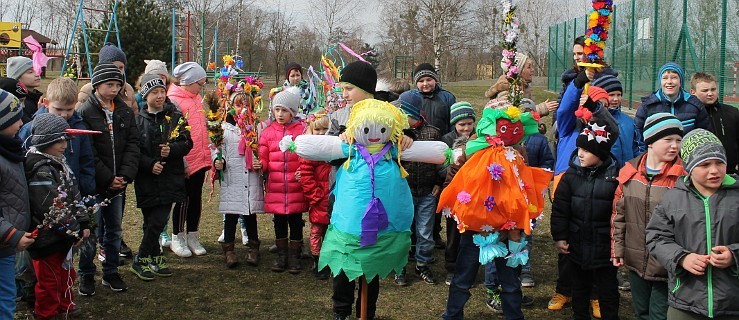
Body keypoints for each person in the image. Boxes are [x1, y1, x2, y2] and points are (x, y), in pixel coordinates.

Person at [647, 129, 739, 319]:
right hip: (685, 302)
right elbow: (656, 237)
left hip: (732, 301)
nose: (714, 170)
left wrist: (734, 255)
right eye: (704, 164)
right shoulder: (672, 199)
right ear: (688, 167)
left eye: (719, 162)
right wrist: (681, 258)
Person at [611, 113, 685, 320]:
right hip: (635, 260)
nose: (674, 146)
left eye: (678, 140)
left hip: (667, 264)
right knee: (641, 312)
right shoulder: (629, 173)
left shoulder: (684, 177)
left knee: (659, 314)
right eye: (668, 140)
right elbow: (618, 214)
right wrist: (618, 248)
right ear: (650, 141)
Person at [77, 63, 140, 293]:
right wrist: (106, 178)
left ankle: (111, 271)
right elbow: (88, 152)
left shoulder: (124, 110)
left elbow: (133, 144)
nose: (114, 89)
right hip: (94, 185)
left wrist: (124, 175)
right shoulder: (84, 113)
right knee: (90, 231)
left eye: (117, 85)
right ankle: (86, 274)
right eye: (109, 84)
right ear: (97, 85)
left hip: (118, 185)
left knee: (114, 229)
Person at [551, 118, 621, 320]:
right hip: (577, 245)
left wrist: (618, 244)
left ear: (600, 153)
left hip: (605, 248)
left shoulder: (615, 178)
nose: (580, 154)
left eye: (587, 150)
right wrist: (560, 236)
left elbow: (620, 213)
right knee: (579, 288)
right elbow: (560, 209)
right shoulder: (570, 176)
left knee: (607, 291)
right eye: (579, 148)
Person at [25, 113, 90, 319]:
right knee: (49, 278)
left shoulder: (59, 162)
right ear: (45, 140)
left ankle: (64, 305)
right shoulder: (40, 169)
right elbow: (50, 205)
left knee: (66, 272)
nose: (65, 144)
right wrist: (72, 228)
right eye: (59, 140)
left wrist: (82, 221)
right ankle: (46, 313)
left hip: (64, 233)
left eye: (65, 139)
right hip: (48, 236)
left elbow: (73, 192)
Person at [130, 74, 192, 281]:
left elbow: (187, 143)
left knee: (159, 220)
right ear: (145, 95)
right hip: (147, 180)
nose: (159, 96)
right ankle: (153, 257)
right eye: (154, 92)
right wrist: (149, 164)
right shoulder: (138, 121)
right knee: (150, 221)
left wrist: (172, 150)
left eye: (162, 91)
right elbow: (134, 150)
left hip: (169, 179)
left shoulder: (175, 117)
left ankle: (141, 258)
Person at [394, 91, 442, 286]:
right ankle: (400, 267)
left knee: (425, 231)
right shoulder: (395, 133)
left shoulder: (433, 132)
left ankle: (422, 264)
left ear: (411, 113)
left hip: (427, 191)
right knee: (402, 230)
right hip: (403, 192)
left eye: (401, 113)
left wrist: (439, 182)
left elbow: (441, 160)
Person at [258, 89, 308, 274]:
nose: (280, 114)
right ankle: (281, 256)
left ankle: (295, 257)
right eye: (277, 109)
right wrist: (260, 165)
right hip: (276, 185)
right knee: (278, 221)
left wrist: (303, 171)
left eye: (284, 110)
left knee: (295, 220)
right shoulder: (267, 133)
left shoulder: (302, 131)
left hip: (295, 186)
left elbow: (306, 156)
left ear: (293, 112)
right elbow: (264, 157)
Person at [213, 99, 264, 268]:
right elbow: (216, 149)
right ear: (231, 108)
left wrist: (261, 161)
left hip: (250, 177)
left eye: (245, 105)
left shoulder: (256, 128)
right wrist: (218, 161)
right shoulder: (224, 130)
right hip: (232, 177)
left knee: (250, 213)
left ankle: (253, 246)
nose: (241, 109)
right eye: (237, 105)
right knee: (231, 214)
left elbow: (263, 149)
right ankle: (229, 249)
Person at [167, 62, 210, 258]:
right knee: (182, 200)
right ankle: (177, 236)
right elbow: (174, 134)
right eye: (200, 83)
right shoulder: (173, 101)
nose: (202, 86)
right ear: (188, 82)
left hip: (200, 157)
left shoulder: (196, 98)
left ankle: (193, 235)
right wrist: (183, 160)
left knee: (196, 198)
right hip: (184, 160)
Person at [0, 89, 34, 319]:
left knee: (7, 296)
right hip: (5, 240)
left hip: (5, 247)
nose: (21, 122)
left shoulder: (12, 149)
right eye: (14, 119)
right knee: (4, 300)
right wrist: (11, 234)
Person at [440, 101, 476, 286]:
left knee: (470, 232)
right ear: (454, 124)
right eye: (462, 124)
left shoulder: (478, 139)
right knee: (453, 232)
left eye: (469, 123)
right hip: (453, 192)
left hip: (474, 194)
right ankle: (451, 266)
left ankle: (470, 267)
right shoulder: (446, 140)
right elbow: (440, 165)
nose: (466, 128)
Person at [634, 62, 712, 138]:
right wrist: (646, 151)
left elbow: (705, 135)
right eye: (665, 78)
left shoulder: (695, 105)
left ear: (680, 82)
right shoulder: (647, 106)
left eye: (674, 77)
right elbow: (637, 135)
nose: (669, 82)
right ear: (660, 82)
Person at [298, 113, 331, 279]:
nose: (321, 133)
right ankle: (318, 260)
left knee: (331, 232)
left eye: (325, 129)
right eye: (317, 129)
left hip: (333, 198)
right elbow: (306, 175)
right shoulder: (309, 151)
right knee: (317, 230)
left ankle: (330, 258)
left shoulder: (333, 148)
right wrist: (316, 196)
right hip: (319, 199)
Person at [690, 72, 739, 174]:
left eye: (713, 89)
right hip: (700, 175)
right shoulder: (688, 116)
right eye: (705, 90)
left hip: (730, 173)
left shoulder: (732, 113)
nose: (710, 93)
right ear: (693, 92)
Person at [591, 75, 643, 166]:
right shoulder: (593, 121)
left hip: (628, 173)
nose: (616, 99)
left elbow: (638, 147)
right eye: (611, 95)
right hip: (605, 175)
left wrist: (637, 166)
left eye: (618, 95)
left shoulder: (629, 121)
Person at [78, 43, 136, 109]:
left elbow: (135, 114)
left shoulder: (128, 89)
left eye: (121, 67)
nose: (118, 71)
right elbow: (79, 115)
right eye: (113, 66)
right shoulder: (88, 90)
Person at [5, 56, 42, 123]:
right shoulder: (17, 103)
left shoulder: (37, 99)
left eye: (36, 70)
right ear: (17, 77)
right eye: (30, 72)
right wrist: (41, 114)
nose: (37, 74)